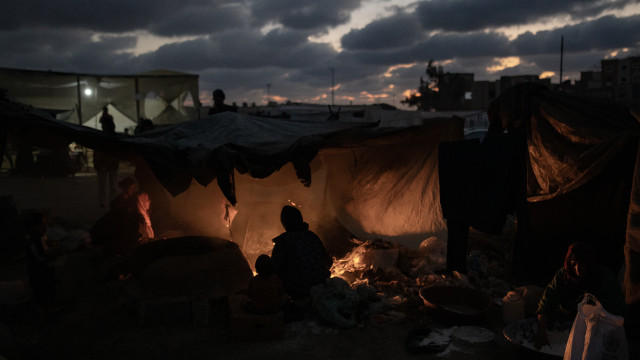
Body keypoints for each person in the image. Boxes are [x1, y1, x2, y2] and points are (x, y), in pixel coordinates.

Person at [534, 242, 627, 349]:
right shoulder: (564, 276)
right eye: (573, 264)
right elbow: (546, 301)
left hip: (596, 328)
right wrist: (541, 333)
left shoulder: (604, 279)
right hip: (566, 322)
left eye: (582, 264)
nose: (577, 269)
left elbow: (617, 313)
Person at [271, 206, 332, 299]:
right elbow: (328, 260)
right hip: (319, 286)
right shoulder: (312, 236)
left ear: (284, 222)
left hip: (294, 290)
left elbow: (275, 268)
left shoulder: (282, 241)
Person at [94, 106, 119, 207]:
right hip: (106, 163)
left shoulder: (102, 136)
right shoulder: (110, 136)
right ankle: (108, 202)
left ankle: (105, 202)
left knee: (107, 185)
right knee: (109, 185)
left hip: (107, 163)